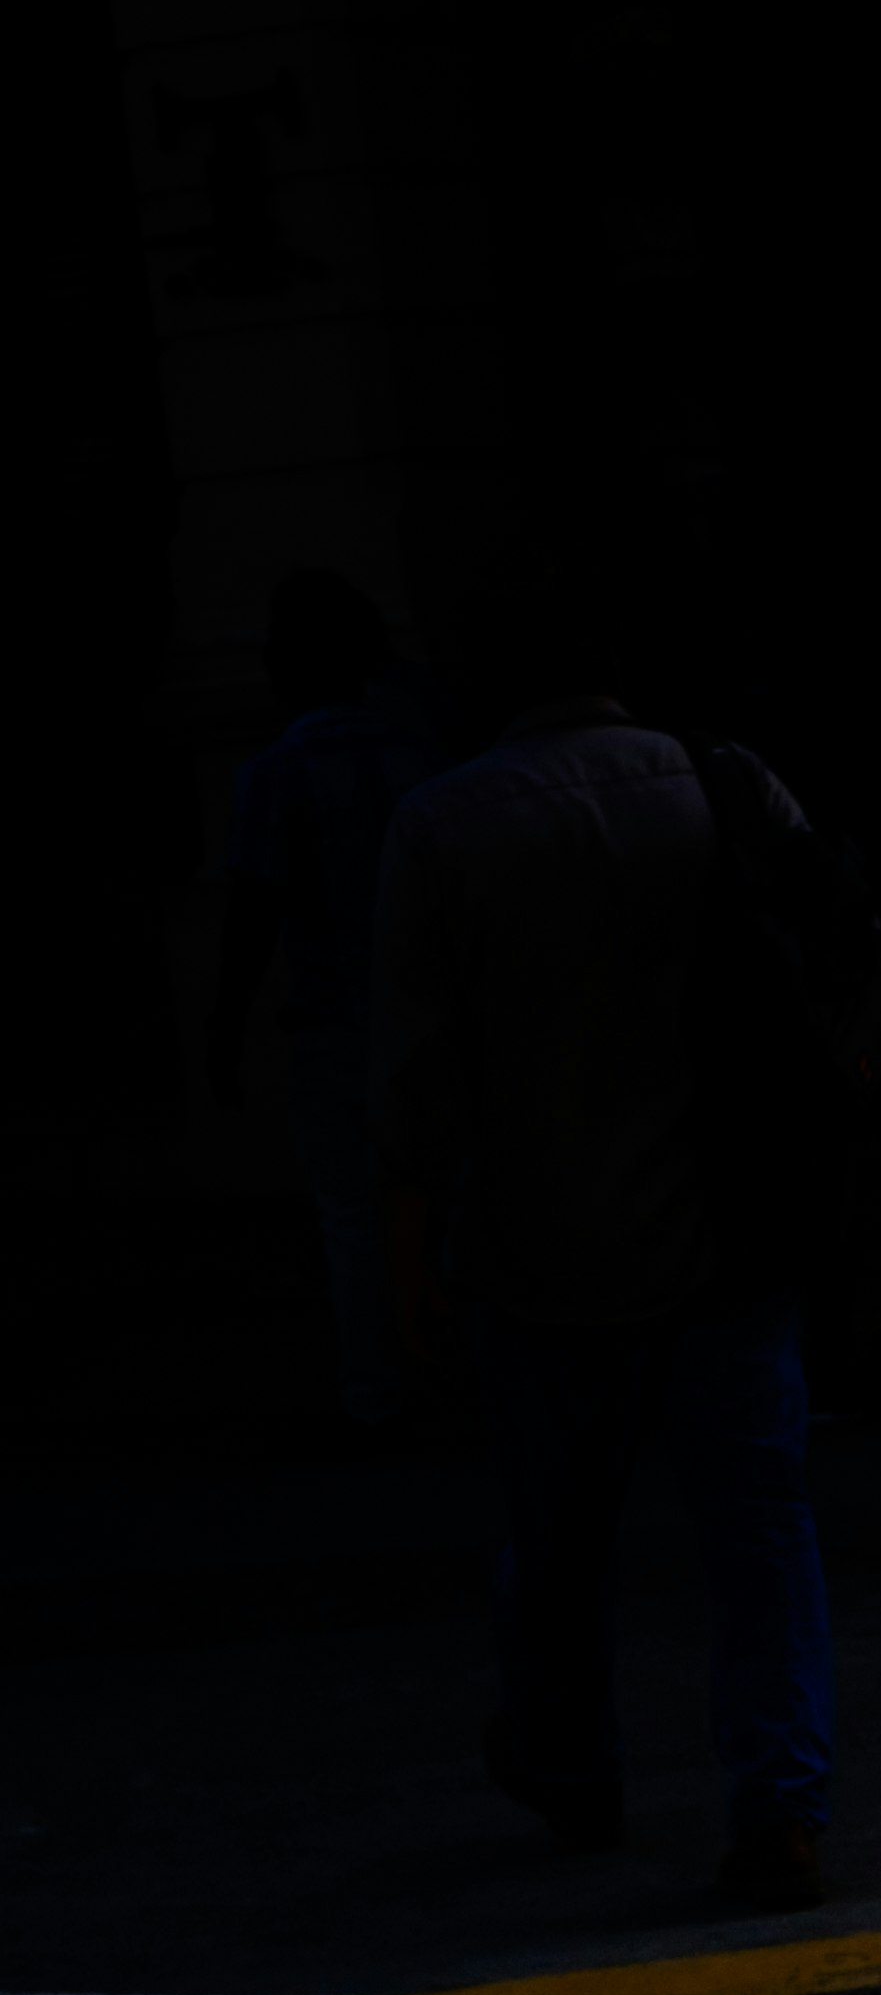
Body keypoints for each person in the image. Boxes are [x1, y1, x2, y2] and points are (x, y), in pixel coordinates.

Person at [373, 599, 841, 1909]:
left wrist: (426, 1257)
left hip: (539, 1242)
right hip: (727, 1228)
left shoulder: (444, 824)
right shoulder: (717, 781)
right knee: (758, 1528)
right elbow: (837, 964)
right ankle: (781, 1798)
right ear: (617, 669)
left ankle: (573, 1761)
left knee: (558, 1530)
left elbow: (411, 1081)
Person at [209, 573, 444, 1426]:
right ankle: (448, 1360)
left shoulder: (277, 772)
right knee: (440, 1192)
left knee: (351, 1211)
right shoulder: (420, 757)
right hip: (424, 1016)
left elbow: (252, 910)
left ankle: (379, 1382)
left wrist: (224, 1031)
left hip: (331, 1020)